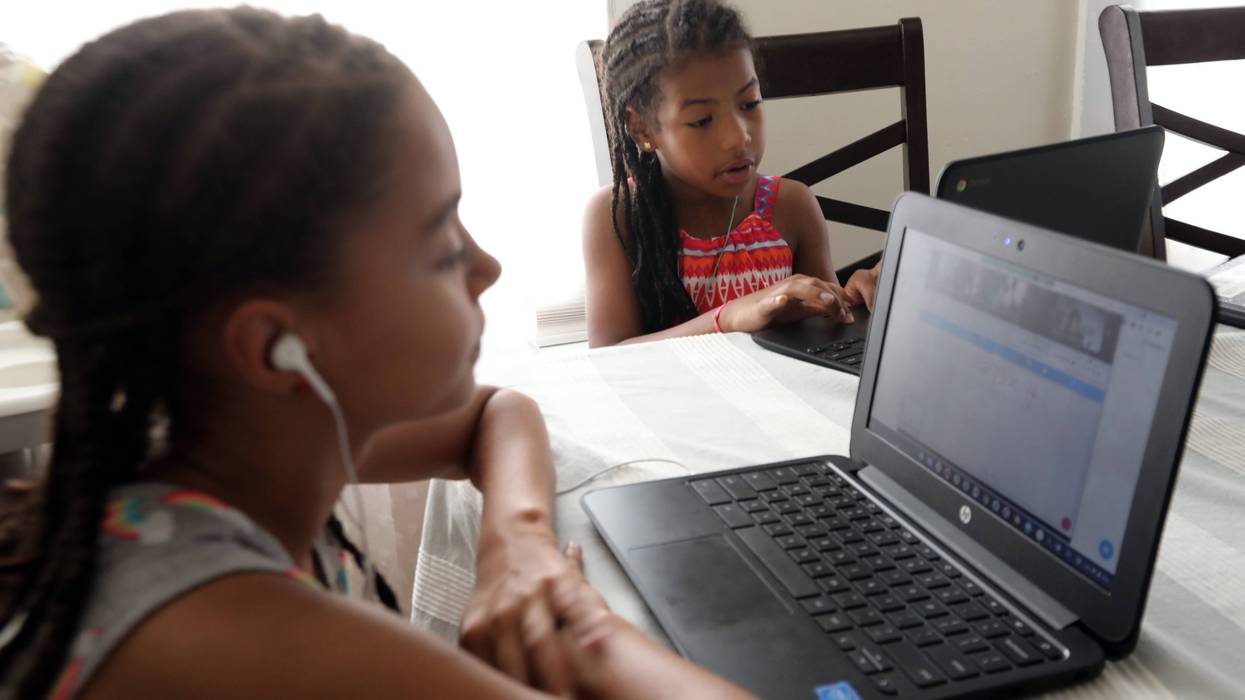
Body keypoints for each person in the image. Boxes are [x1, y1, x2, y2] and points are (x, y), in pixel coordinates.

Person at [0, 8, 754, 699]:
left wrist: (518, 543)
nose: (487, 266)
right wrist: (586, 629)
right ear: (274, 348)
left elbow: (496, 411)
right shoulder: (229, 637)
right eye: (441, 246)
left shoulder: (226, 441)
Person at [582, 0, 879, 349]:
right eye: (702, 121)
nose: (738, 137)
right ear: (642, 129)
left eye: (750, 103)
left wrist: (855, 299)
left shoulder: (792, 207)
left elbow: (826, 335)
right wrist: (729, 318)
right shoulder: (618, 217)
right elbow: (610, 357)